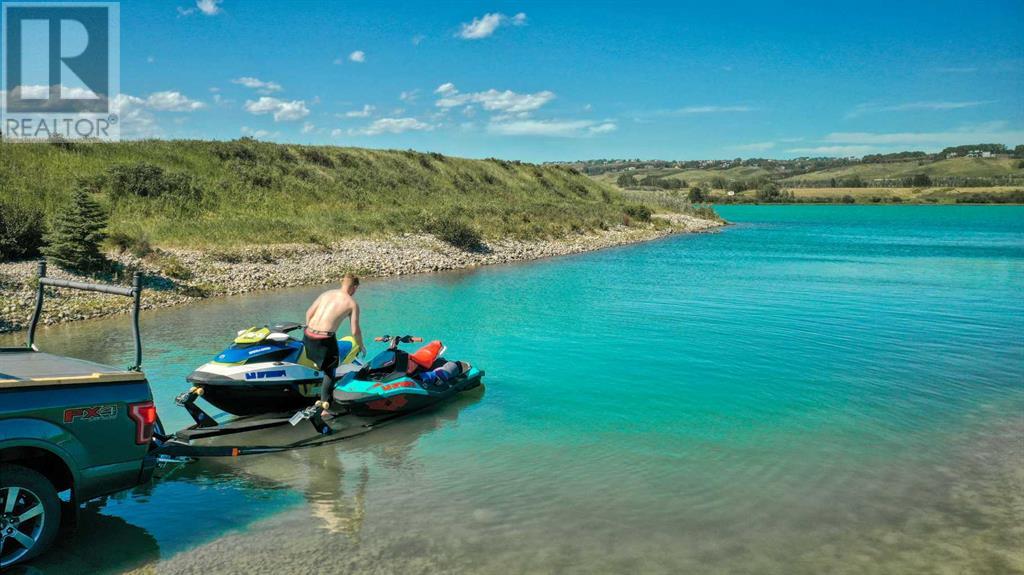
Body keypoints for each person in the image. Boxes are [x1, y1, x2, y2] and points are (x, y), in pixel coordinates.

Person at [304, 274, 364, 415]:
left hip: (307, 335)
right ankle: (326, 407)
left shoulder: (326, 294)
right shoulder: (351, 303)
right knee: (331, 370)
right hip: (324, 339)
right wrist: (361, 345)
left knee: (321, 361)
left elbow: (308, 313)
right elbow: (355, 330)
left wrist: (311, 332)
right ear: (354, 287)